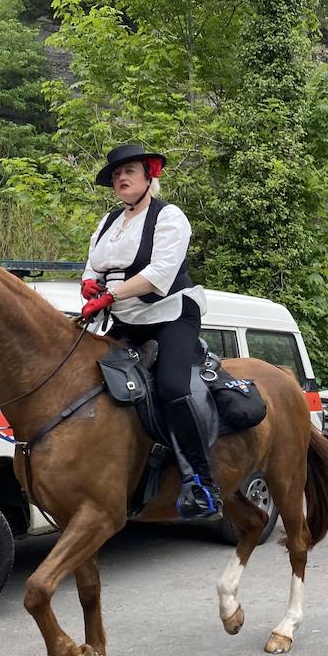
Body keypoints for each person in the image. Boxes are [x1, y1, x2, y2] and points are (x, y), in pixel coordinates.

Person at [80, 143, 221, 520]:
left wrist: (109, 294)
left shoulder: (170, 217)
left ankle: (202, 483)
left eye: (129, 172)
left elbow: (159, 275)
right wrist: (89, 287)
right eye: (115, 175)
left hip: (172, 314)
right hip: (127, 319)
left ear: (149, 176)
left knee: (173, 388)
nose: (121, 178)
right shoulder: (108, 221)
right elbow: (93, 267)